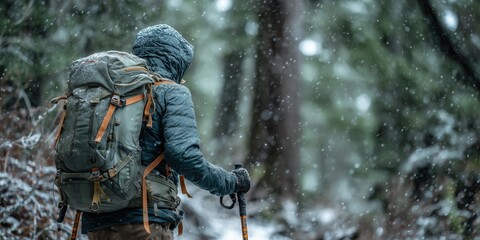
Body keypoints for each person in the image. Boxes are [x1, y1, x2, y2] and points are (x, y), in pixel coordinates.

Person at [81, 24, 251, 239]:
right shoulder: (172, 92)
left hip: (96, 221)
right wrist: (230, 183)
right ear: (175, 59)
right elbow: (184, 157)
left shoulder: (110, 93)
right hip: (142, 221)